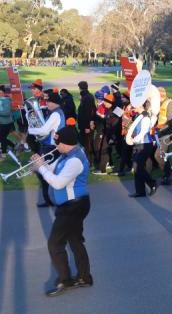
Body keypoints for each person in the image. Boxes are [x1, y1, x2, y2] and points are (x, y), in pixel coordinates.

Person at [32, 122, 92, 296]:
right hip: (71, 205)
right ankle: (84, 277)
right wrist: (40, 165)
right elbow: (52, 169)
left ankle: (65, 281)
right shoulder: (66, 155)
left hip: (74, 206)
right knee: (74, 240)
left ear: (66, 143)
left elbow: (58, 182)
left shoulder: (75, 160)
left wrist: (42, 169)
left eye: (58, 143)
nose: (56, 145)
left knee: (55, 243)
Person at [28, 90, 65, 208]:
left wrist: (30, 130)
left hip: (51, 147)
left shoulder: (55, 114)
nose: (46, 103)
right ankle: (50, 199)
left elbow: (44, 130)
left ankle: (52, 200)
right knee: (44, 173)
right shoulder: (56, 112)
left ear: (54, 102)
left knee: (45, 174)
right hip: (49, 146)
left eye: (48, 101)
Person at [127, 101, 159, 198]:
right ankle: (140, 191)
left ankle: (152, 183)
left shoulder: (145, 117)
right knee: (137, 167)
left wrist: (134, 139)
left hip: (145, 144)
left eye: (135, 105)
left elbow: (144, 132)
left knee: (137, 166)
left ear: (140, 105)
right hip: (139, 144)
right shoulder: (138, 115)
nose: (133, 107)